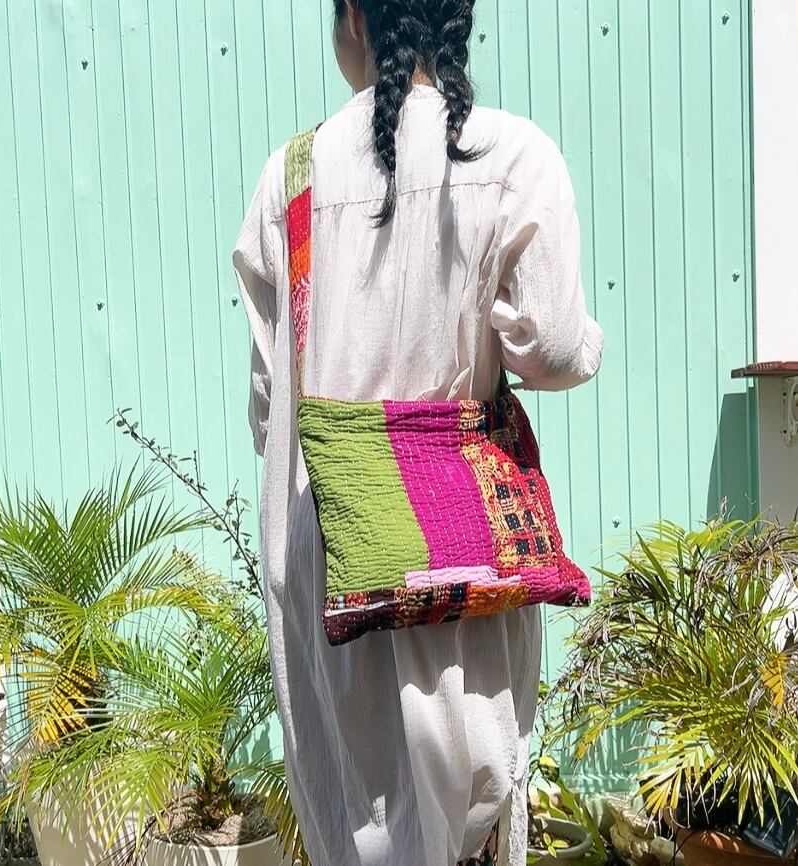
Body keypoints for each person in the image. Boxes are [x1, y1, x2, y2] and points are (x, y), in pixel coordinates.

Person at [233, 1, 603, 864]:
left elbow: (269, 403)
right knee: (471, 809)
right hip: (461, 551)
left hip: (333, 563)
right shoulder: (513, 157)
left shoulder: (291, 178)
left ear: (354, 17)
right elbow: (551, 351)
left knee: (355, 817)